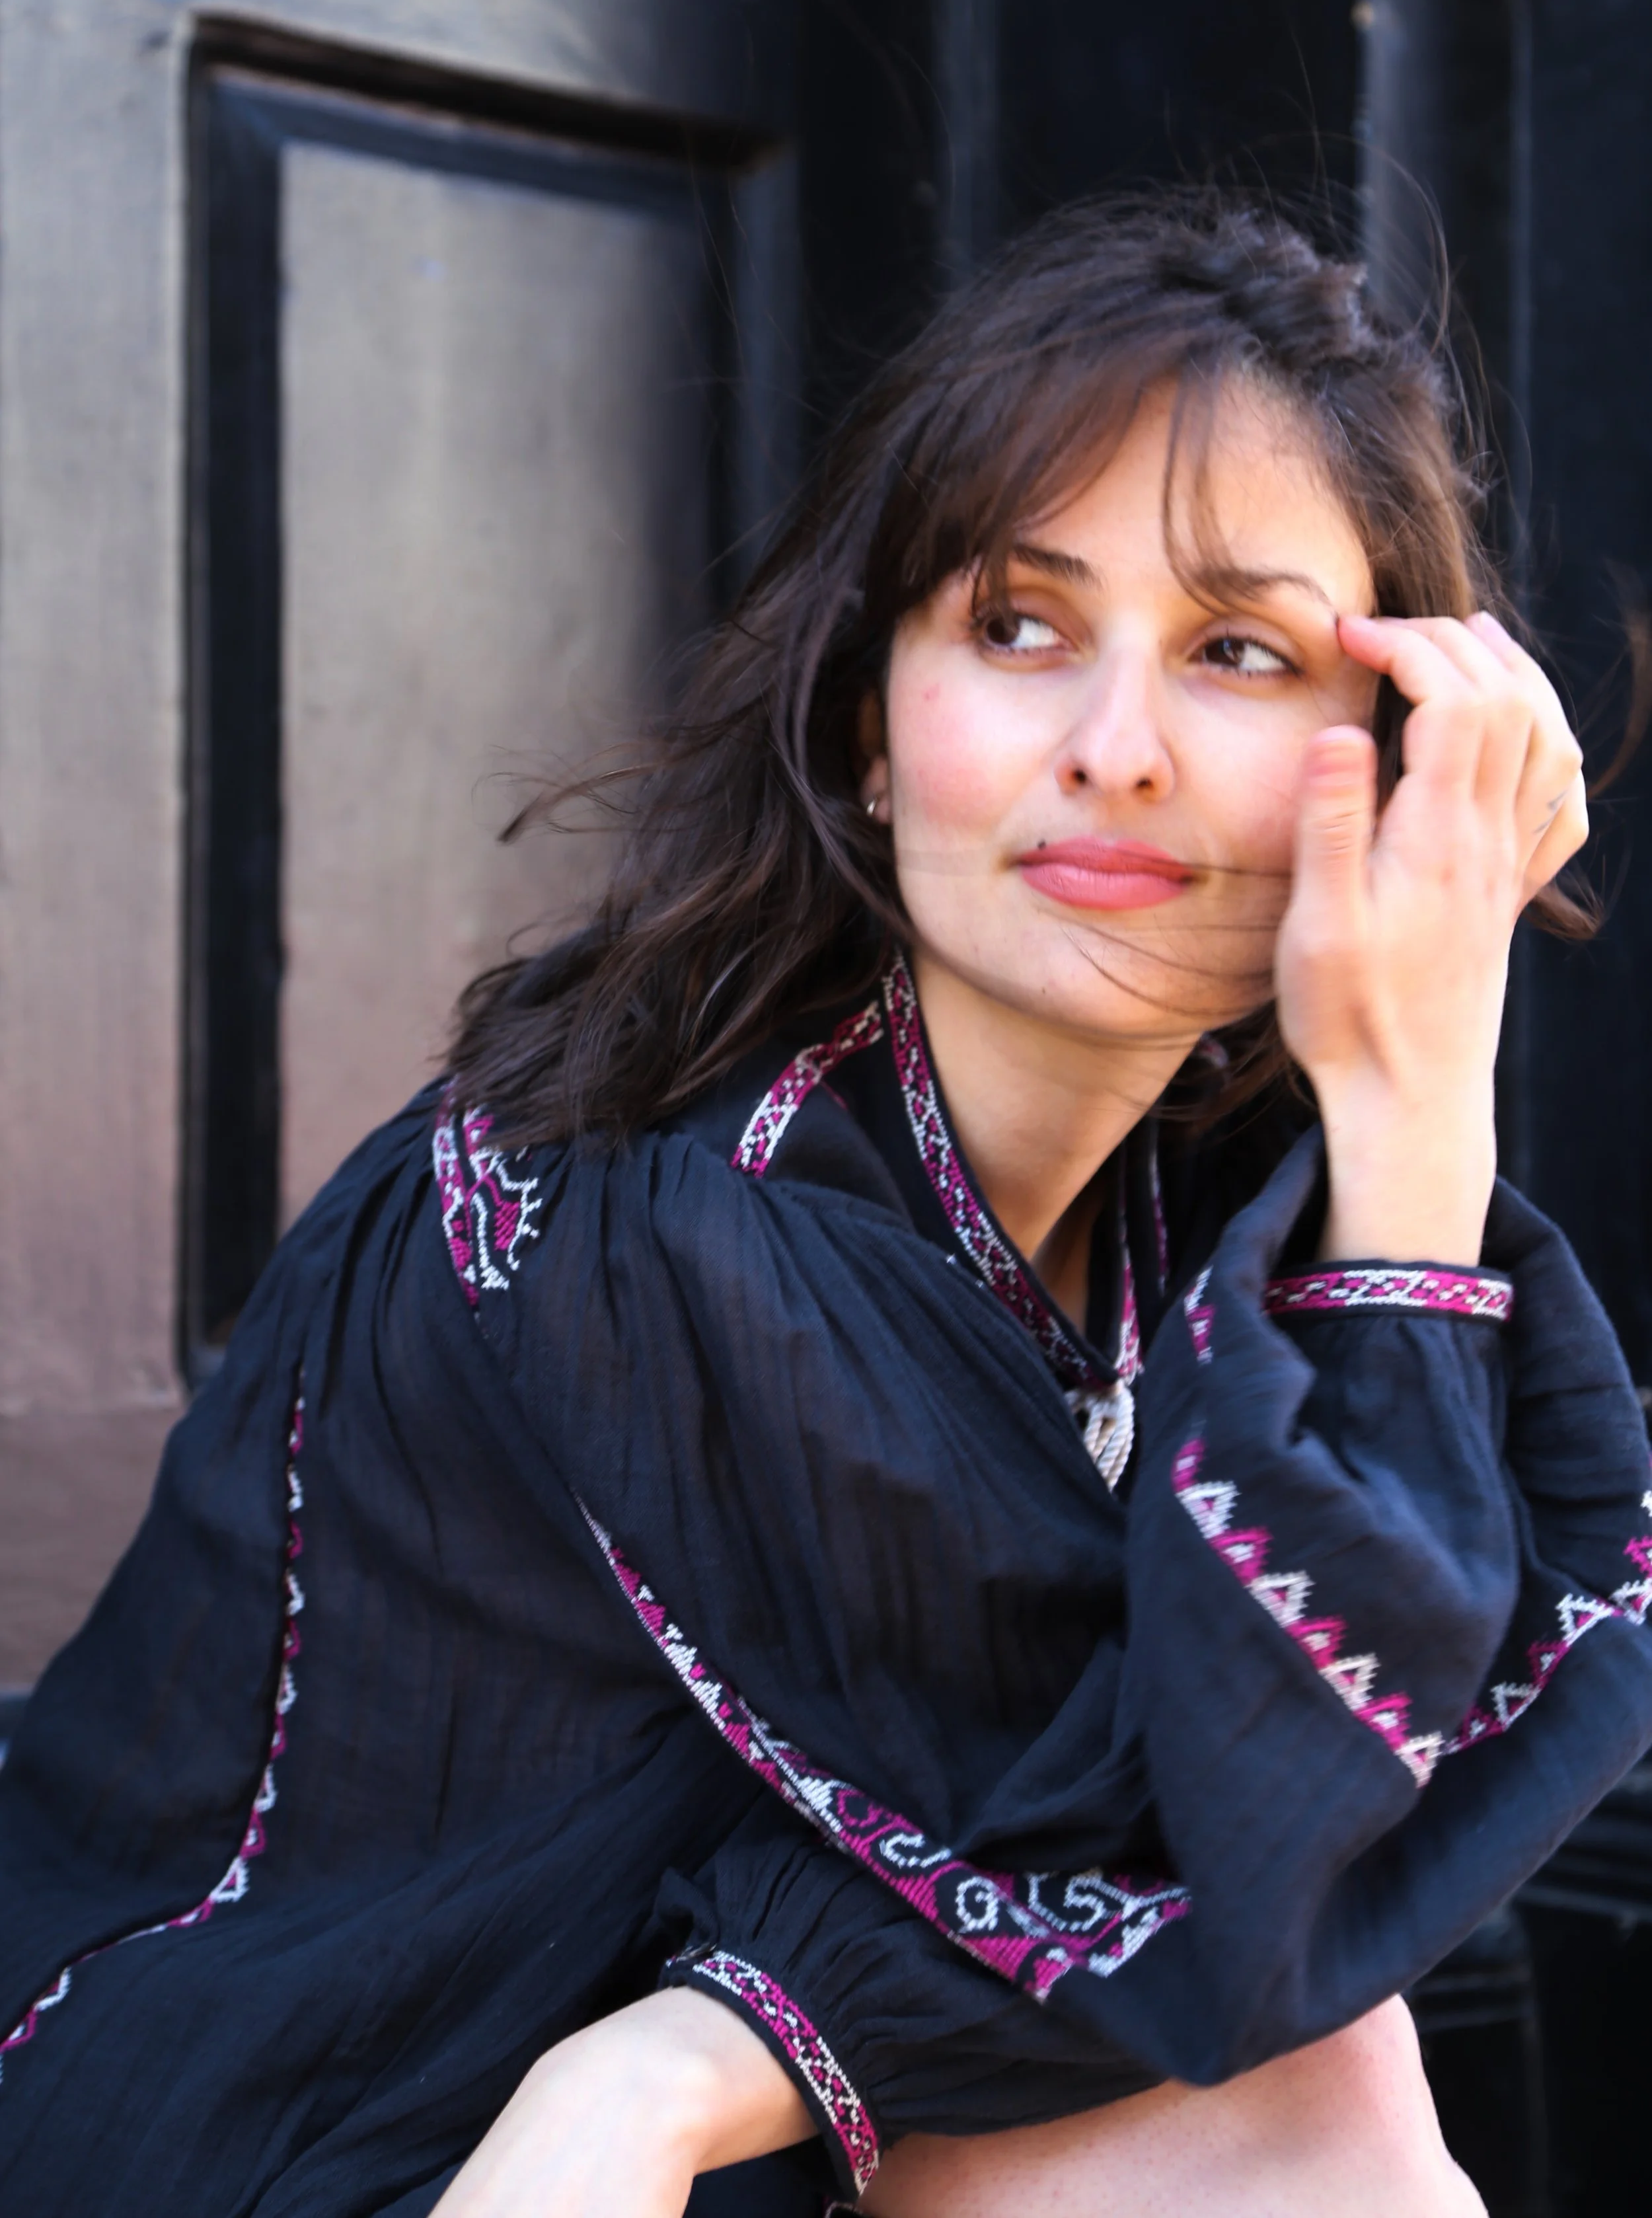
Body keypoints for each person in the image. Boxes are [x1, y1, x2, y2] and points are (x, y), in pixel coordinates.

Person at [1, 194, 1647, 2218]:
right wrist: (686, 2072)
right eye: (1016, 626)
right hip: (301, 2105)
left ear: (1388, 760)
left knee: (1316, 2081)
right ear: (871, 724)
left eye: (1236, 650)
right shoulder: (672, 1211)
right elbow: (1244, 1835)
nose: (1111, 751)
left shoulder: (1193, 1201)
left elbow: (1314, 1802)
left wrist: (1416, 1086)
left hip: (650, 2102)